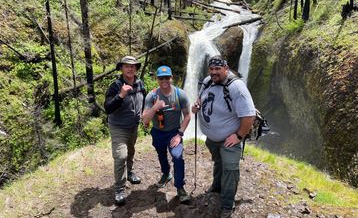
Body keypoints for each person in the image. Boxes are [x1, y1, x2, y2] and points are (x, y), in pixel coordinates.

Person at [192, 55, 256, 218]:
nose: (214, 72)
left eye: (218, 69)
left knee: (230, 169)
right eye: (212, 69)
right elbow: (201, 97)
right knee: (218, 162)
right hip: (212, 139)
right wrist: (197, 105)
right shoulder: (208, 81)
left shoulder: (237, 87)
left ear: (226, 68)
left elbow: (249, 116)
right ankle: (217, 186)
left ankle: (227, 205)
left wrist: (239, 136)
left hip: (230, 139)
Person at [142, 65, 191, 203]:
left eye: (167, 77)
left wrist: (179, 134)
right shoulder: (152, 96)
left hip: (174, 133)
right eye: (161, 78)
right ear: (157, 79)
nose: (164, 80)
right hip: (158, 132)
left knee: (177, 157)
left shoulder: (180, 94)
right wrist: (155, 107)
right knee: (161, 154)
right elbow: (145, 120)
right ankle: (166, 174)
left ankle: (180, 188)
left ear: (171, 78)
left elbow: (187, 115)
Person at [104, 56, 145, 206]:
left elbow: (143, 100)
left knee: (131, 151)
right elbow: (108, 108)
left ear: (136, 68)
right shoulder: (115, 86)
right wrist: (121, 95)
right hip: (118, 127)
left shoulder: (140, 83)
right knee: (121, 155)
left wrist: (144, 117)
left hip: (133, 126)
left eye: (132, 66)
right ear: (121, 68)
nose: (130, 69)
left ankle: (129, 172)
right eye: (126, 66)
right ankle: (119, 189)